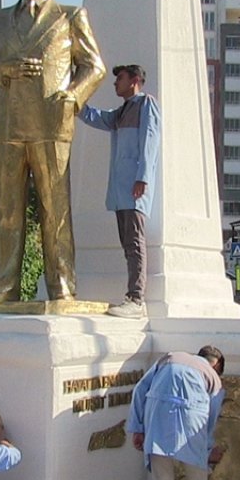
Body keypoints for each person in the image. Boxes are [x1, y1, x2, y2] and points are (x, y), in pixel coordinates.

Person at [0, 0, 106, 304]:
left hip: (51, 125)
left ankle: (61, 285)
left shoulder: (70, 16)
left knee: (54, 209)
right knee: (7, 211)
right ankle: (4, 285)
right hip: (8, 127)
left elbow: (94, 67)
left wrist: (73, 96)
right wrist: (4, 69)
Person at [126, 346, 227, 480]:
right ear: (216, 365)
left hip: (158, 412)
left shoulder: (170, 357)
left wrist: (137, 427)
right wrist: (207, 449)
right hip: (194, 418)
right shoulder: (214, 380)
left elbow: (140, 390)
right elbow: (211, 418)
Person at [78, 64, 160, 319]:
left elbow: (150, 140)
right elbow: (96, 118)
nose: (116, 84)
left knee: (135, 243)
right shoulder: (122, 111)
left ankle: (136, 298)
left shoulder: (146, 104)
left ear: (135, 80)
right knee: (127, 244)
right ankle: (132, 295)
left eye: (120, 79)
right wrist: (74, 101)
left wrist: (142, 177)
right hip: (121, 189)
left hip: (133, 187)